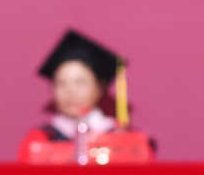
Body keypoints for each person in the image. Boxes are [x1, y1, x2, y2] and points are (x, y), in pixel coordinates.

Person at [17, 29, 145, 160]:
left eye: (80, 82)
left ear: (99, 87)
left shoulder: (123, 137)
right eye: (62, 83)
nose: (71, 91)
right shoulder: (40, 139)